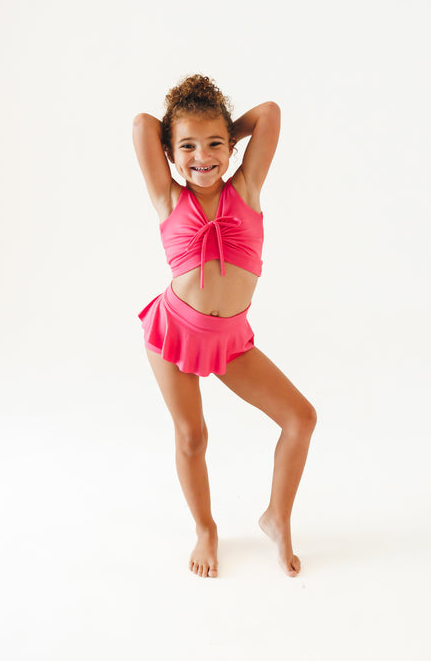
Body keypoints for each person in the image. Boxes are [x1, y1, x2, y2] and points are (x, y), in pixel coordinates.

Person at [132, 73, 317, 578]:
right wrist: (184, 132)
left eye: (215, 144)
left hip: (230, 340)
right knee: (193, 436)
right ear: (171, 152)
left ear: (233, 148)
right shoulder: (169, 199)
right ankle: (205, 529)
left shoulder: (247, 188)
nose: (202, 156)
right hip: (173, 332)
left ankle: (277, 516)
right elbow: (142, 123)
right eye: (187, 146)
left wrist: (228, 132)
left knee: (301, 419)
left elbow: (272, 112)